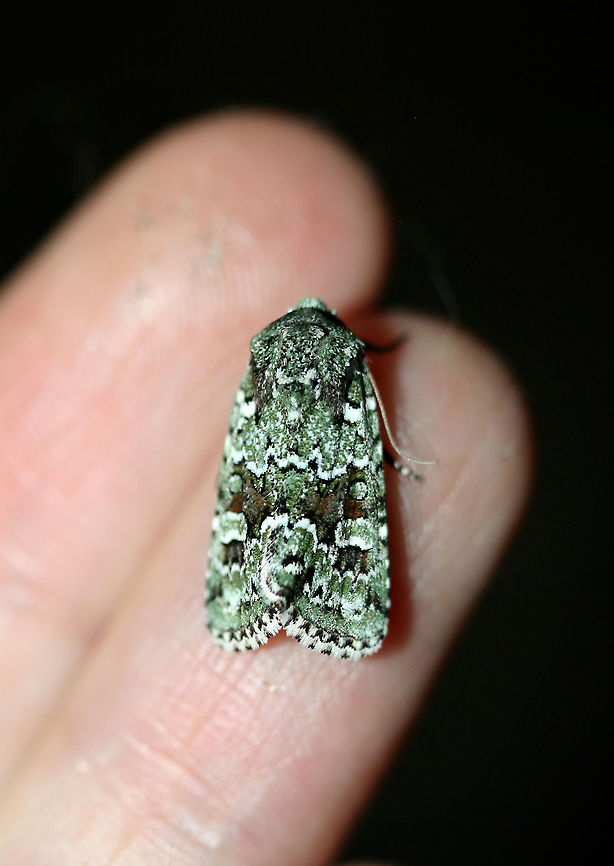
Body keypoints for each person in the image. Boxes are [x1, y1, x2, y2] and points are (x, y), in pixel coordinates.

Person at [0, 110, 532, 863]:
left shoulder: (263, 366)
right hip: (343, 517)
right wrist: (384, 448)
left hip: (248, 539)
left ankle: (257, 598)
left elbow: (242, 446)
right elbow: (370, 421)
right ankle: (330, 604)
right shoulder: (350, 358)